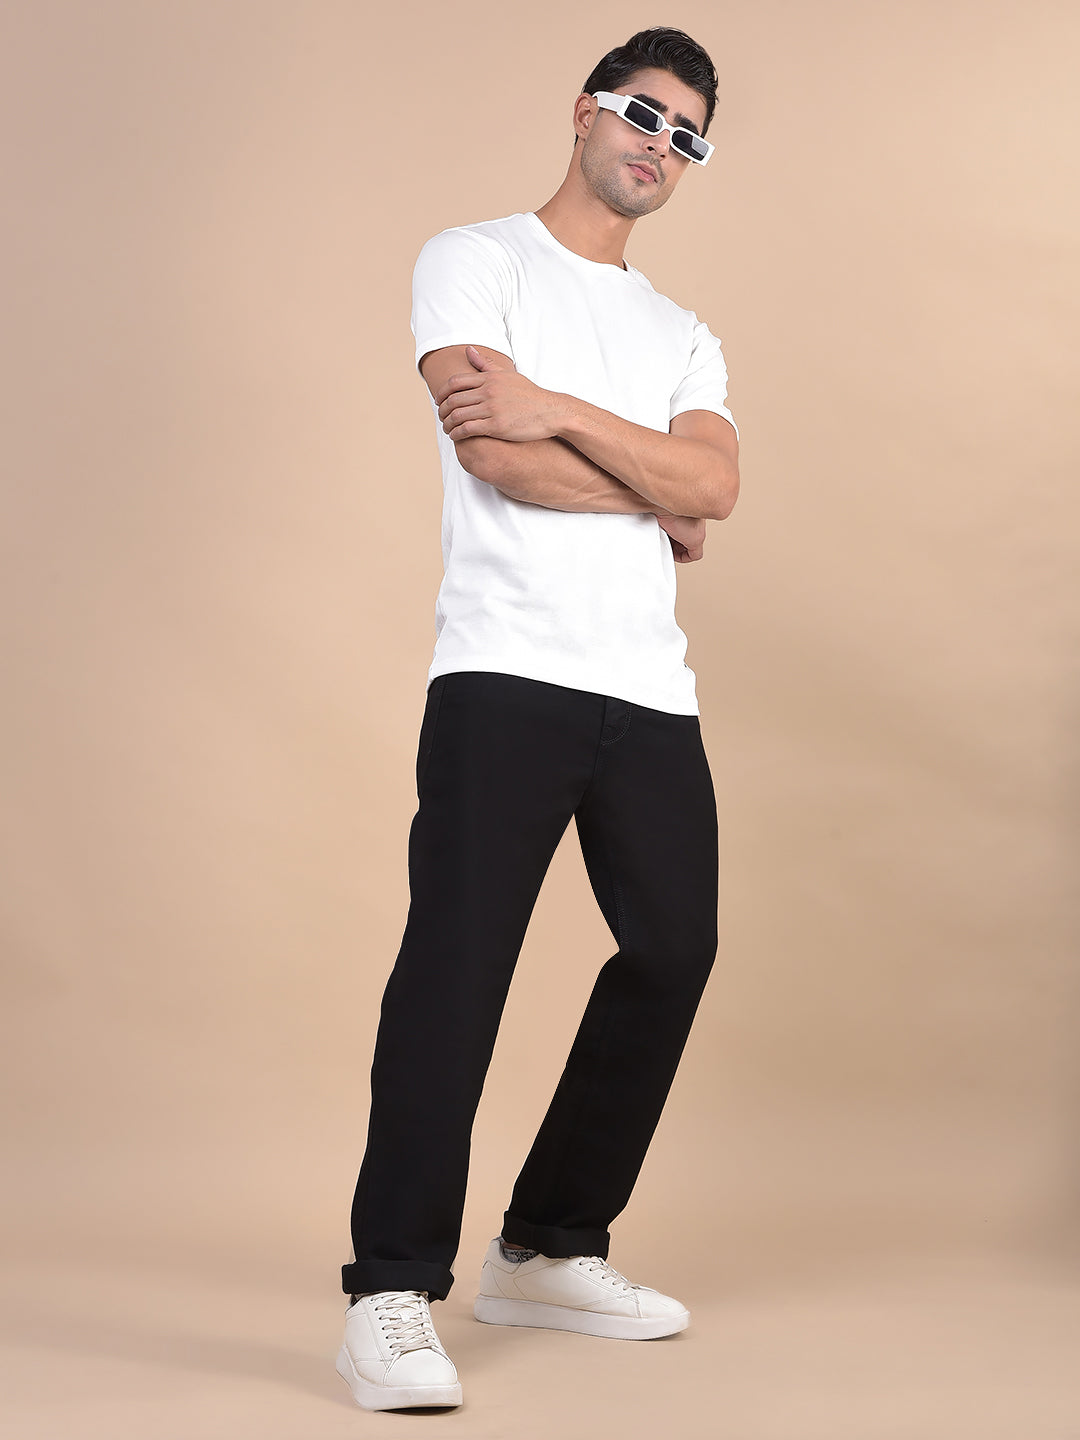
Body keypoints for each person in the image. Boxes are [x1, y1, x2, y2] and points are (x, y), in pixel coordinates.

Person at [335, 25, 740, 1412]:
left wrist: (558, 407)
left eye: (688, 136)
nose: (661, 146)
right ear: (585, 111)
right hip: (505, 671)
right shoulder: (477, 260)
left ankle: (550, 1245)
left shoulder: (683, 333)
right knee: (457, 968)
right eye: (644, 114)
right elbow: (494, 455)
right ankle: (389, 1290)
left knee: (675, 949)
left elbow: (717, 489)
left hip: (648, 688)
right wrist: (653, 487)